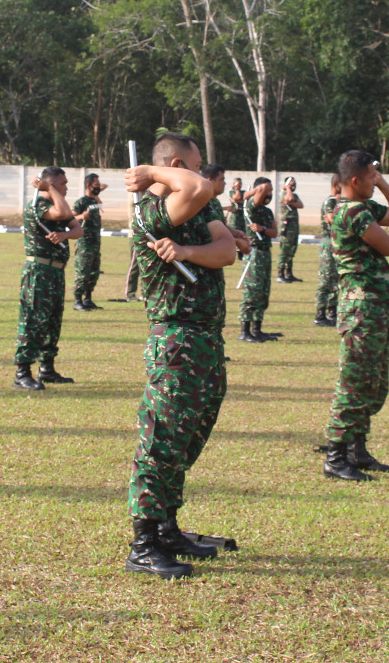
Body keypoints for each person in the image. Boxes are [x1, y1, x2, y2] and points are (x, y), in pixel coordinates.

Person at [123, 132, 237, 580]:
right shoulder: (151, 211)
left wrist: (190, 251)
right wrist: (151, 173)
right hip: (175, 340)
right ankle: (144, 541)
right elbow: (196, 187)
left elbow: (226, 249)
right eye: (193, 163)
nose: (201, 171)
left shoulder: (195, 207)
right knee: (161, 441)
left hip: (206, 339)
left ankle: (168, 527)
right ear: (174, 164)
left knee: (188, 437)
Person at [322, 152, 389, 482]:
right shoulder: (352, 210)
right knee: (354, 381)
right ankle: (335, 456)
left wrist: (385, 182)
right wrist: (379, 184)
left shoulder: (364, 206)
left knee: (371, 381)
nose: (375, 181)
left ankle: (356, 450)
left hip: (374, 307)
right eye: (371, 177)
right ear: (355, 181)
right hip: (361, 308)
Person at [14, 167, 83, 390]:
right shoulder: (38, 205)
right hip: (39, 272)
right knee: (33, 321)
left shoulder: (55, 202)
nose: (66, 187)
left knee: (53, 321)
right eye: (62, 183)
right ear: (49, 184)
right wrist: (52, 190)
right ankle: (22, 372)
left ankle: (47, 368)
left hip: (56, 272)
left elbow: (78, 229)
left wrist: (64, 234)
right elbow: (63, 213)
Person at [237, 178, 278, 343]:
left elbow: (274, 232)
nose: (269, 193)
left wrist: (263, 229)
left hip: (265, 254)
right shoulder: (250, 207)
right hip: (254, 253)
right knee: (251, 293)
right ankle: (244, 331)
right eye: (268, 192)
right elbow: (263, 186)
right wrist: (251, 193)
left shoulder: (267, 212)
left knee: (263, 293)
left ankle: (257, 330)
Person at [72, 172, 107, 311]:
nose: (98, 187)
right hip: (84, 243)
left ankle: (87, 299)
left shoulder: (95, 201)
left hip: (95, 243)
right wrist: (82, 216)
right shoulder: (81, 202)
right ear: (88, 185)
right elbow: (71, 218)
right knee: (83, 271)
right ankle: (77, 300)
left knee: (93, 272)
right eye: (95, 185)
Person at [313, 175, 341, 327]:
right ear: (337, 185)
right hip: (328, 243)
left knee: (334, 280)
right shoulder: (330, 202)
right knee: (326, 280)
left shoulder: (339, 202)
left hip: (336, 243)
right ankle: (320, 314)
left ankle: (332, 312)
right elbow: (332, 219)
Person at [276, 177, 303, 283]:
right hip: (286, 227)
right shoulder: (284, 194)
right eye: (291, 184)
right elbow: (289, 200)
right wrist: (288, 189)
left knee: (292, 250)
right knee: (285, 250)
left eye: (294, 184)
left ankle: (289, 273)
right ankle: (280, 274)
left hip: (294, 226)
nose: (293, 186)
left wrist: (292, 202)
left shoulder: (294, 195)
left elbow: (300, 205)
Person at [228, 177, 247, 257]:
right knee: (233, 233)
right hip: (235, 216)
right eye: (237, 183)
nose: (239, 185)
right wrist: (236, 189)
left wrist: (239, 201)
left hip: (242, 215)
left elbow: (246, 200)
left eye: (240, 183)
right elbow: (237, 198)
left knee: (242, 234)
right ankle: (231, 251)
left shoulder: (244, 192)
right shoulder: (232, 192)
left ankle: (241, 253)